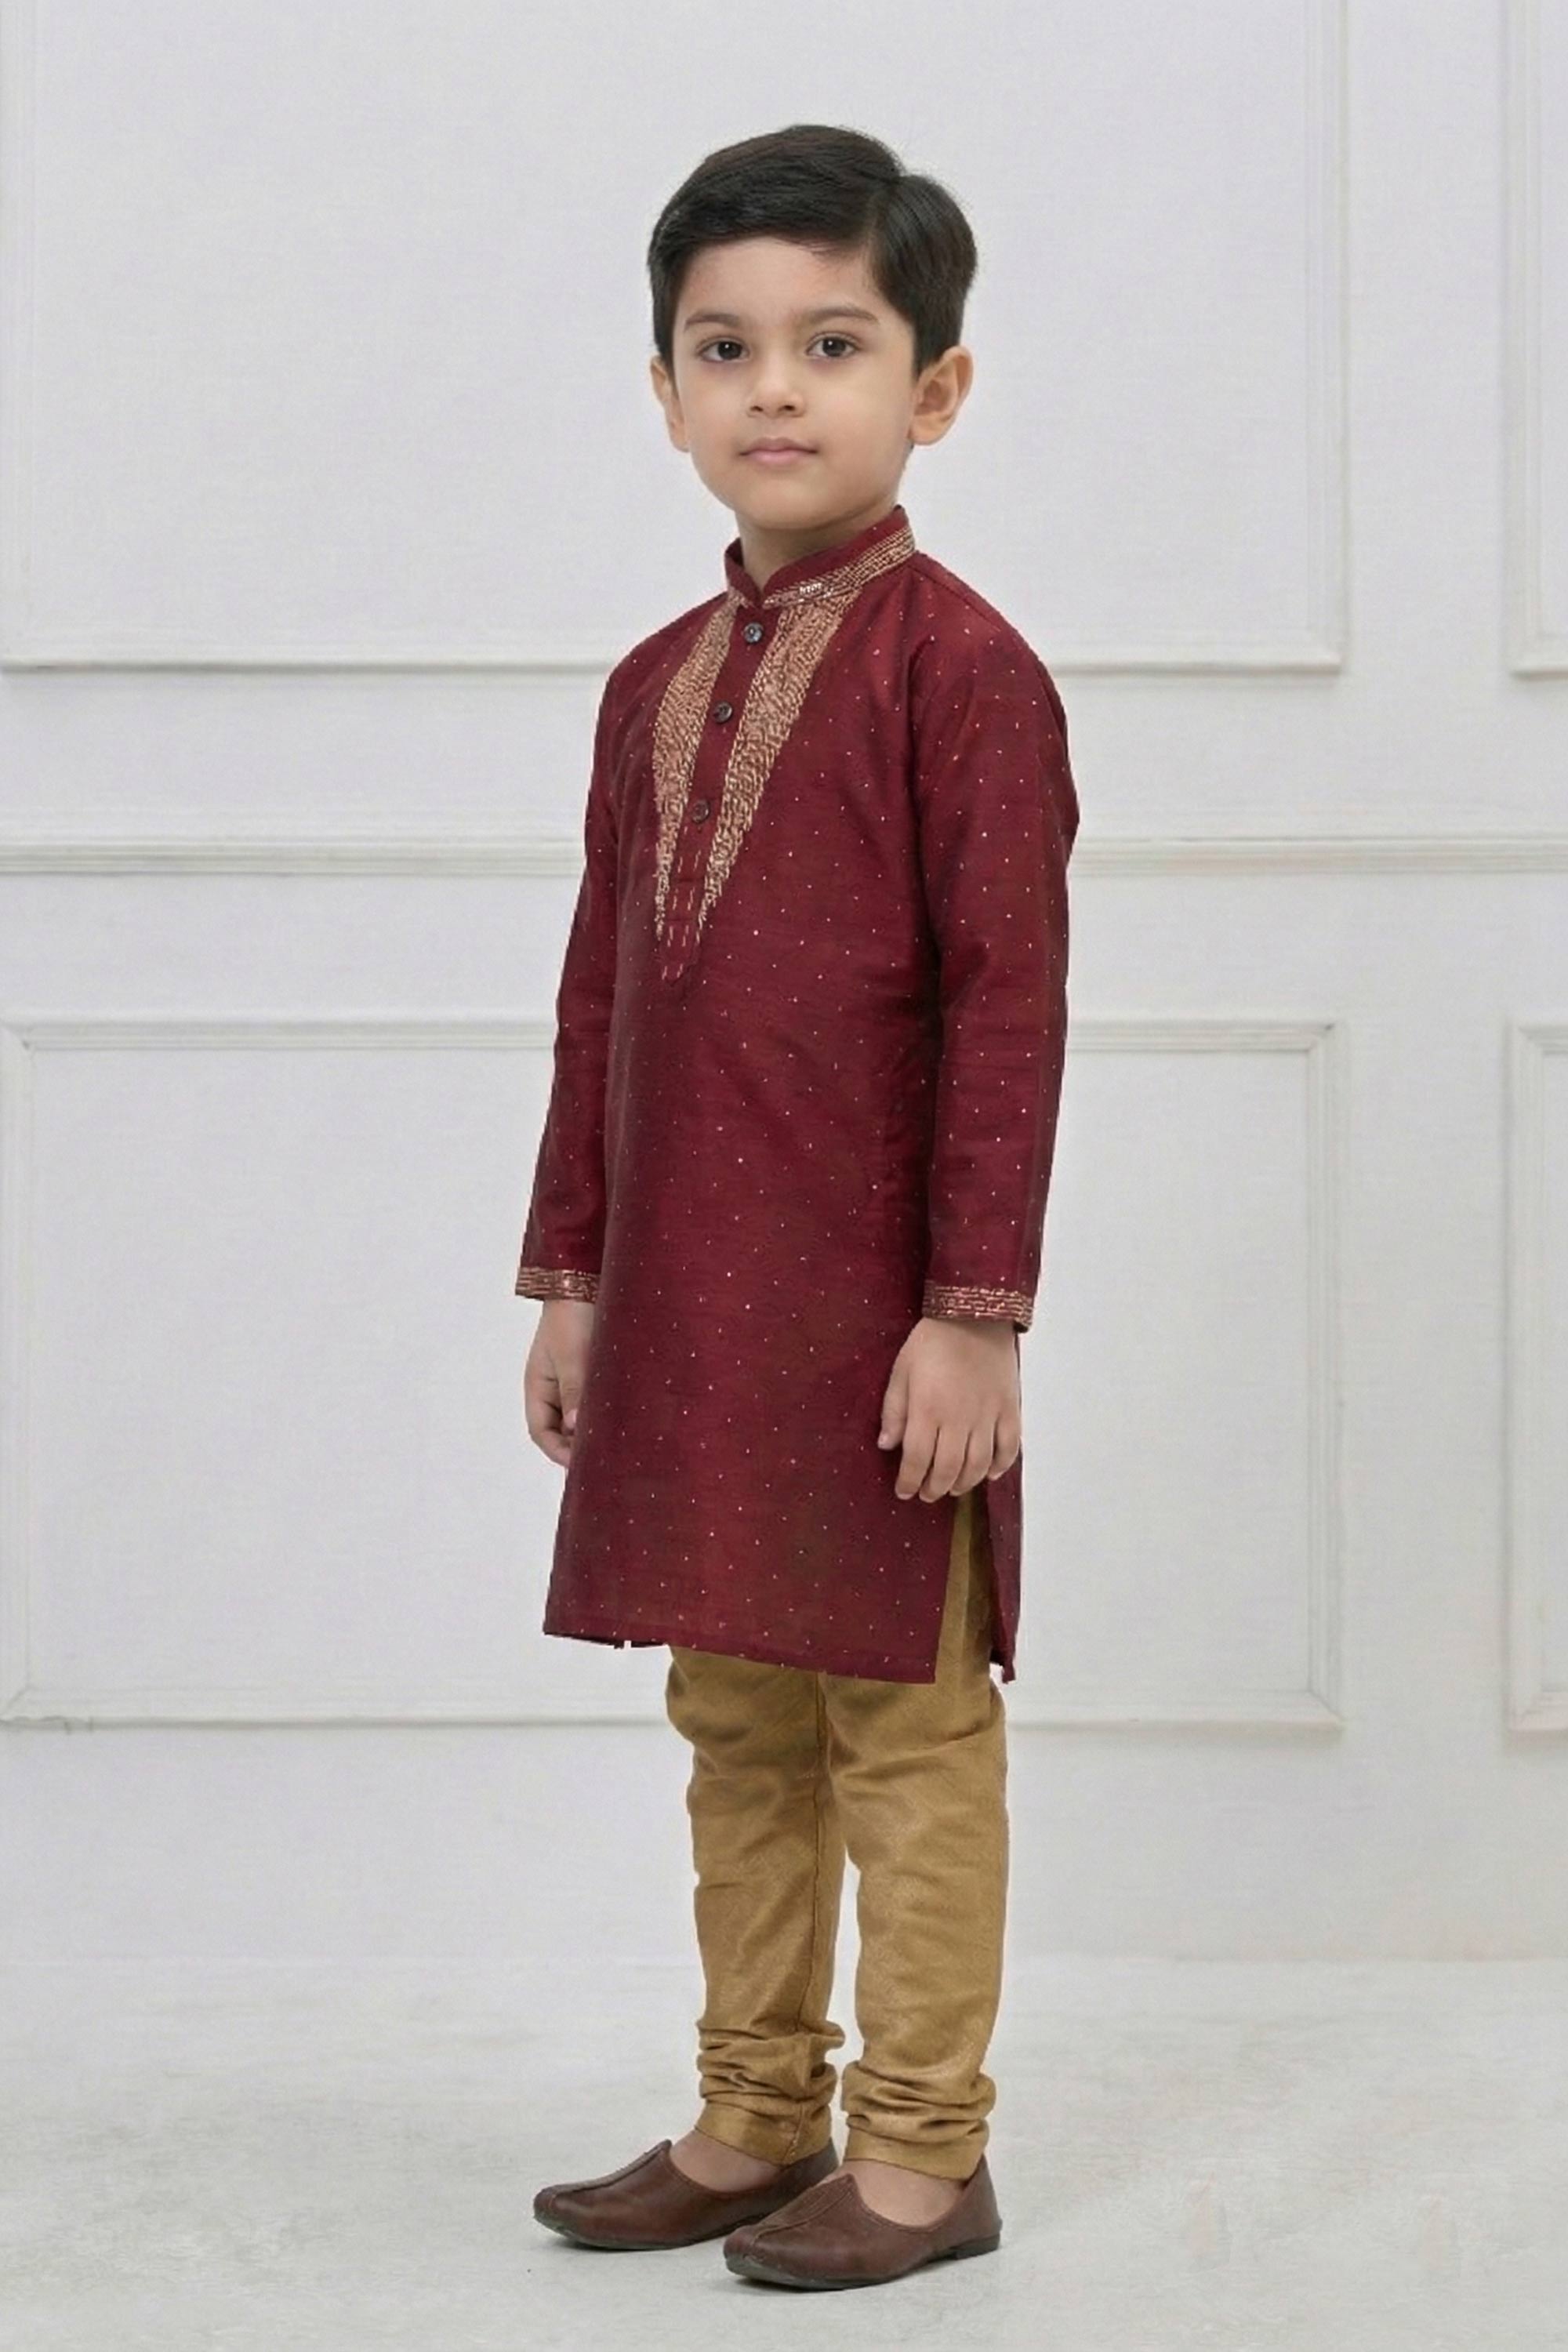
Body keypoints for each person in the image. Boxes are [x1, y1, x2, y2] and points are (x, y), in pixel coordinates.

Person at [516, 122, 1079, 2292]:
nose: (774, 389)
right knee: (736, 1725)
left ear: (935, 386)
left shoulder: (965, 675)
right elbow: (601, 1000)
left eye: (832, 344)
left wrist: (977, 1313)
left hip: (880, 1330)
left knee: (908, 1735)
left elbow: (1009, 1012)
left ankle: (925, 2155)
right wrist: (572, 1280)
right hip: (690, 1312)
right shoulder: (651, 685)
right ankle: (755, 2115)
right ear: (664, 389)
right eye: (724, 346)